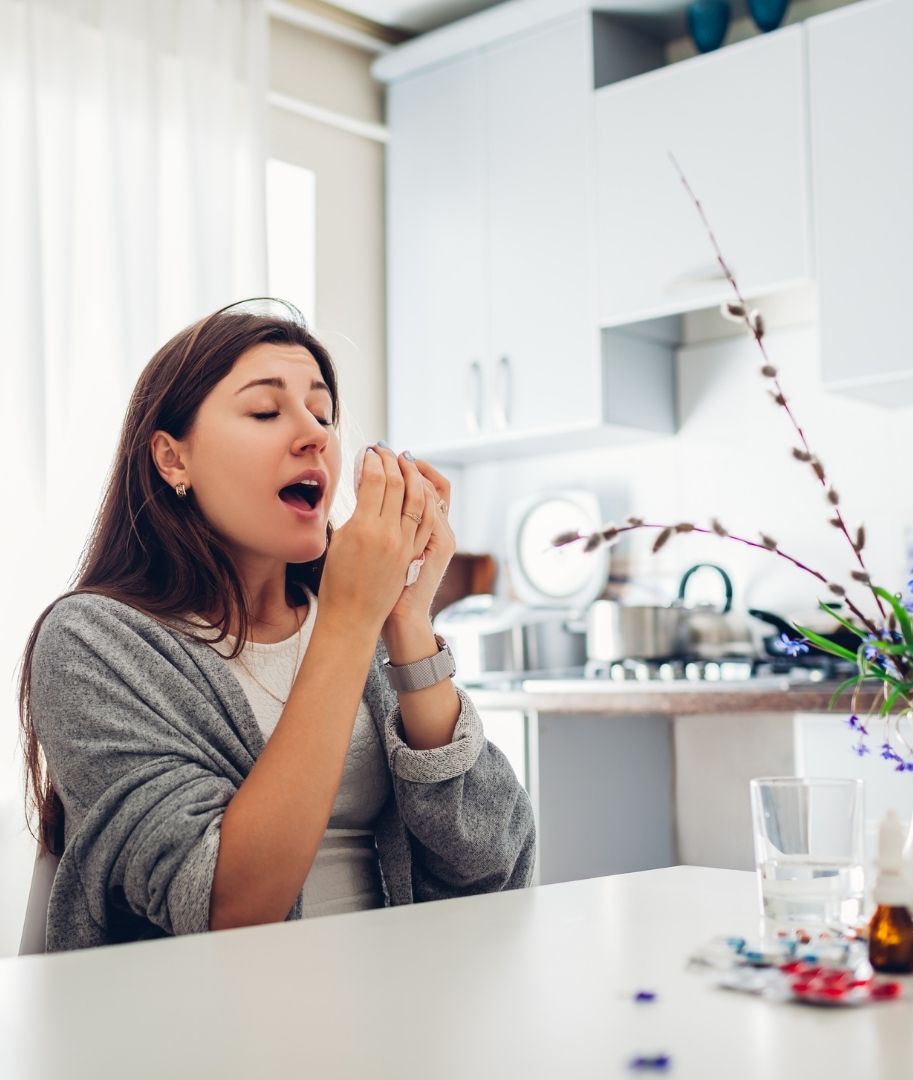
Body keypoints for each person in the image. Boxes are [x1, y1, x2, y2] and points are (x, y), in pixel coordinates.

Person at [17, 301, 535, 951]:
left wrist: (405, 621)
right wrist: (349, 619)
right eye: (266, 411)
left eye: (323, 413)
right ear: (172, 460)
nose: (314, 433)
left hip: (399, 1001)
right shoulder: (94, 642)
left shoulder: (361, 622)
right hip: (208, 1033)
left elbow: (494, 863)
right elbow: (225, 906)